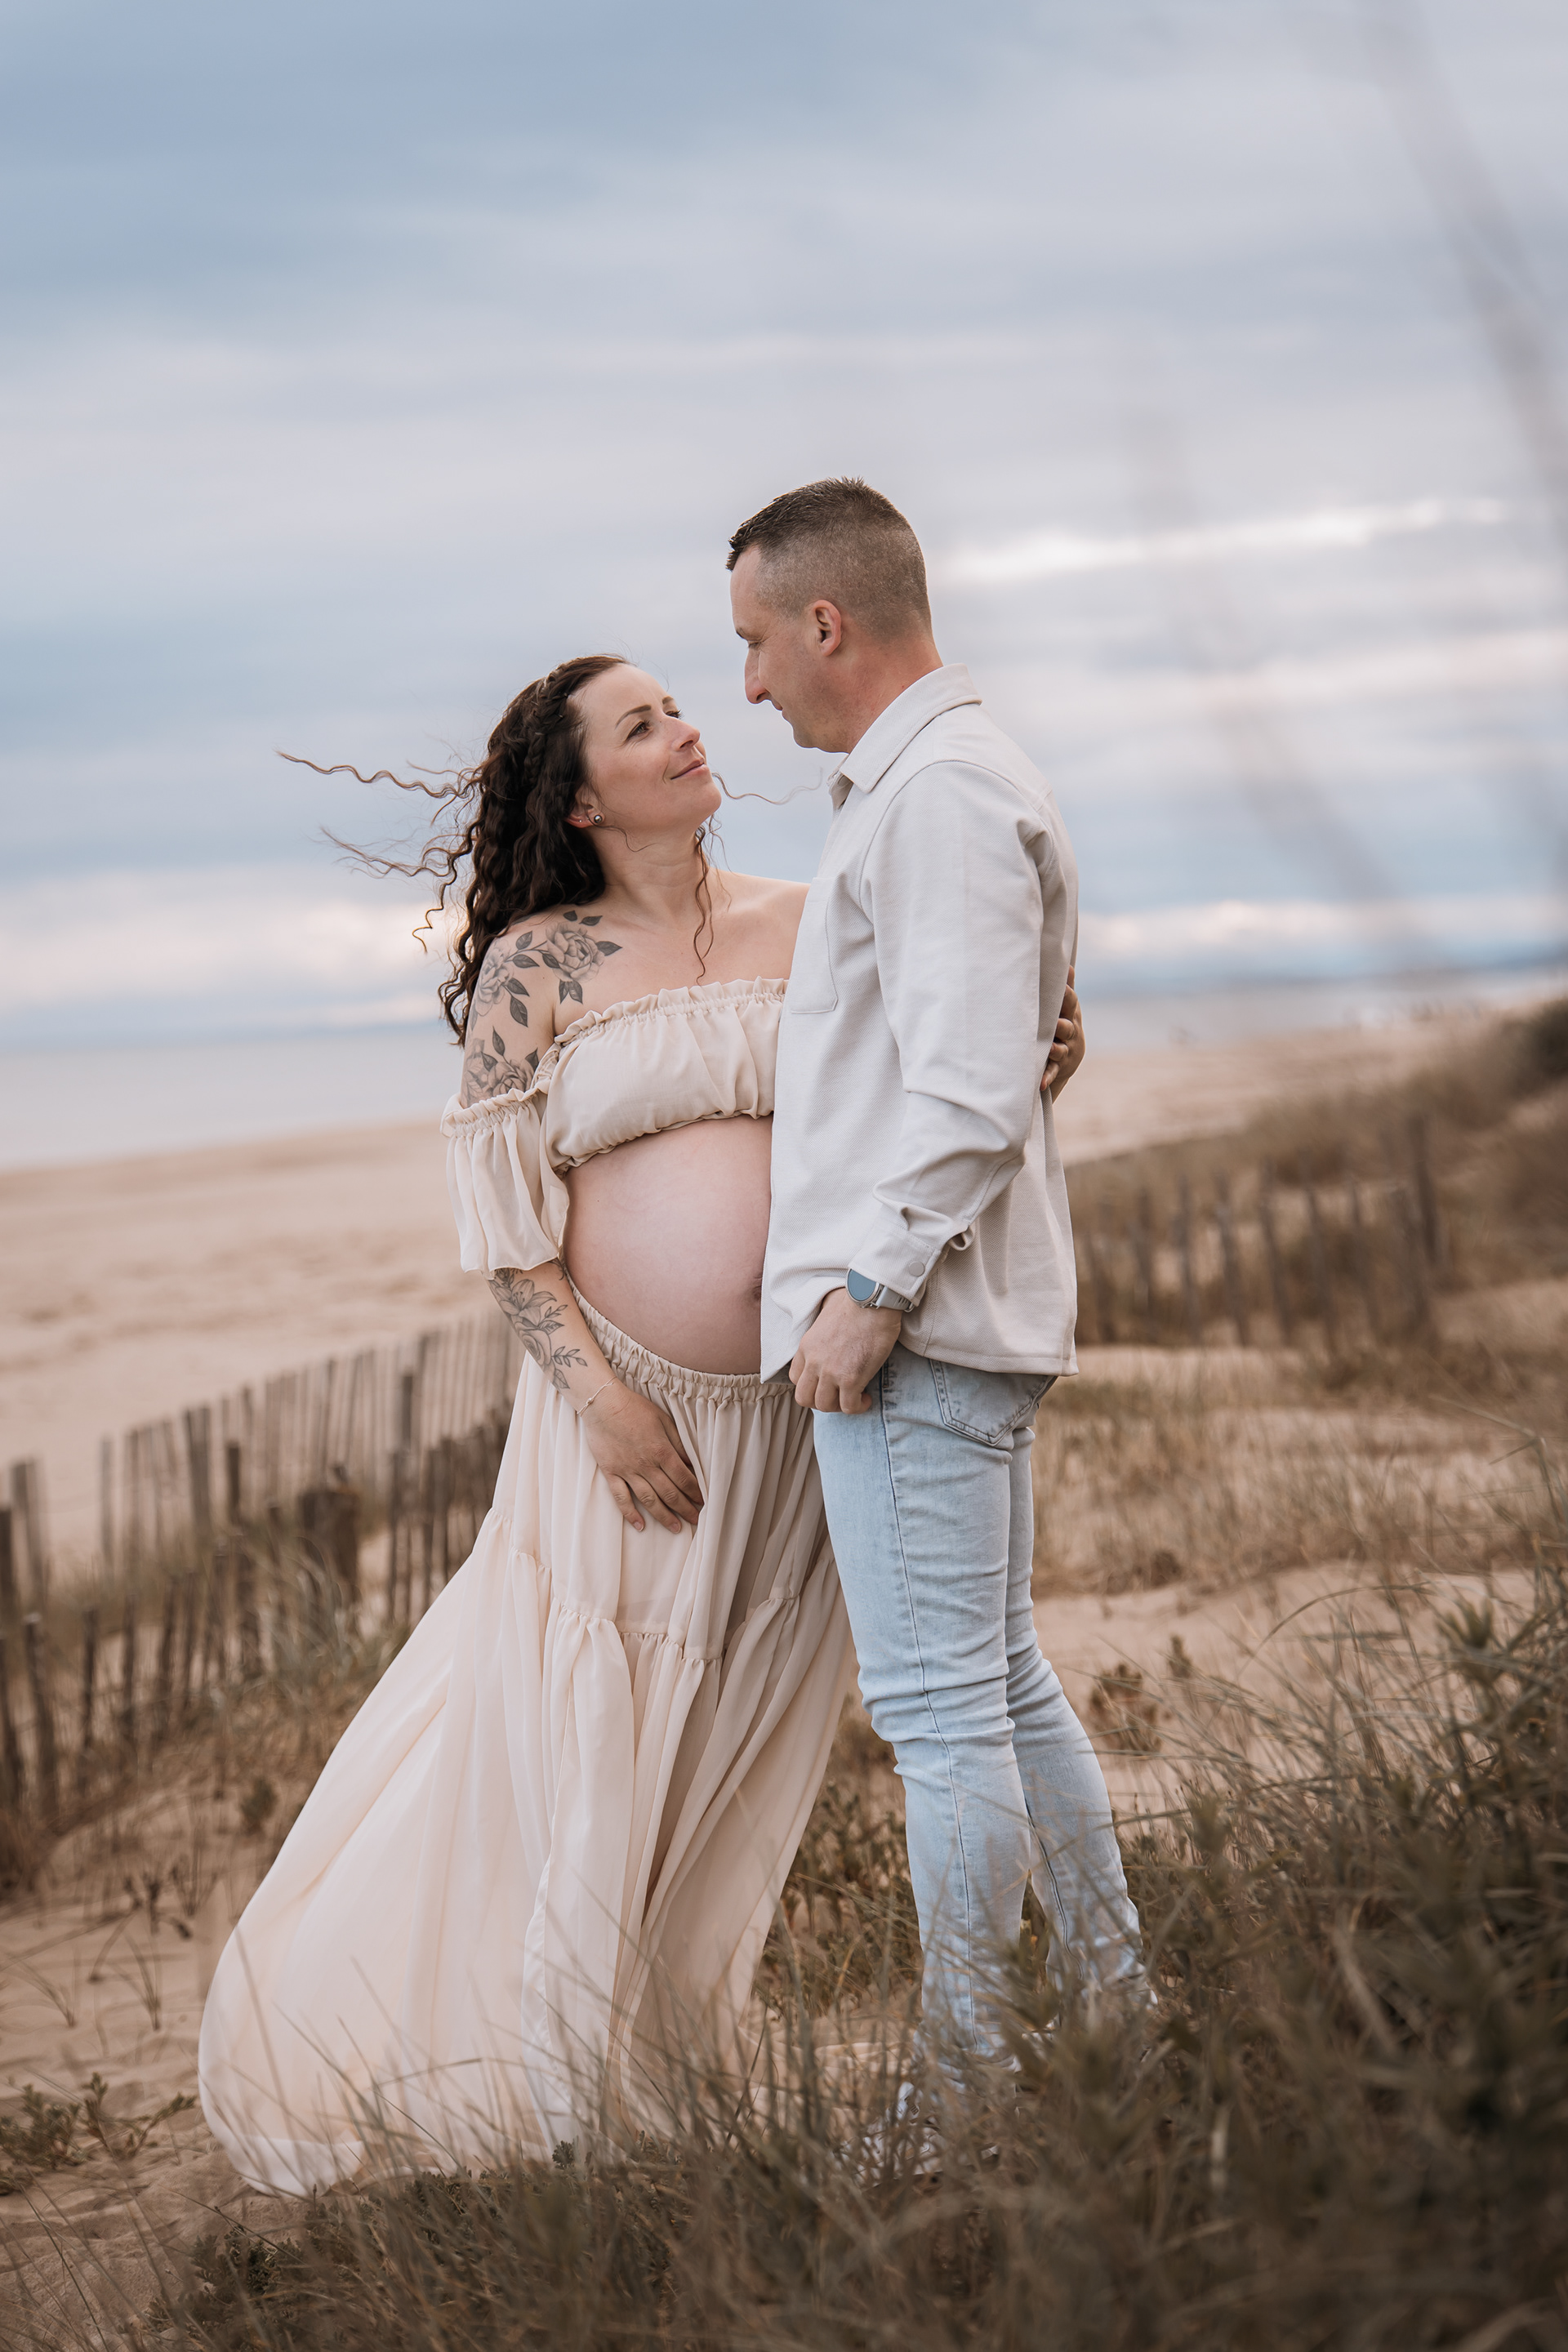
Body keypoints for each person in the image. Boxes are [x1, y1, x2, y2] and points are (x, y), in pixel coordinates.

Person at [198, 644, 1092, 2191]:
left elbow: (944, 1079)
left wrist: (1041, 1056)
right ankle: (548, 2100)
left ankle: (656, 2071)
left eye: (680, 706)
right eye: (642, 724)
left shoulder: (813, 923)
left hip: (810, 1410)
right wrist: (600, 1401)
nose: (688, 728)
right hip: (631, 1427)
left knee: (726, 1745)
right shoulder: (538, 969)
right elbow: (505, 1223)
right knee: (590, 1733)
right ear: (581, 793)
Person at [729, 478, 1146, 2074]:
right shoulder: (928, 790)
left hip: (919, 1338)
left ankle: (970, 2081)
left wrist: (869, 1293)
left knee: (939, 1719)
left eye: (757, 644)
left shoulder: (943, 794)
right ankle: (1116, 2013)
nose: (750, 684)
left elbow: (974, 1091)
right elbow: (980, 1055)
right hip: (946, 1328)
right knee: (1002, 1692)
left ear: (825, 622)